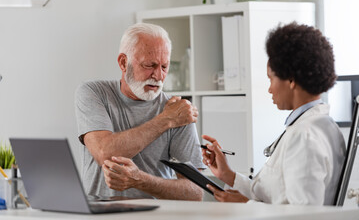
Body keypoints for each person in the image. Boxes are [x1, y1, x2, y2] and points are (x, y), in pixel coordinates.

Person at [202, 22, 346, 205]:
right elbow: (274, 194)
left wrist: (245, 206)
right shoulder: (320, 125)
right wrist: (228, 175)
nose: (270, 89)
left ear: (291, 79)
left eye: (271, 79)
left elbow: (304, 215)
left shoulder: (305, 135)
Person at [75, 23, 206, 200]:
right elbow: (104, 153)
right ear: (123, 62)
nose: (158, 76)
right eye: (149, 65)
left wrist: (140, 181)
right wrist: (165, 120)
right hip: (99, 211)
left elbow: (196, 191)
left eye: (164, 67)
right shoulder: (94, 92)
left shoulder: (178, 111)